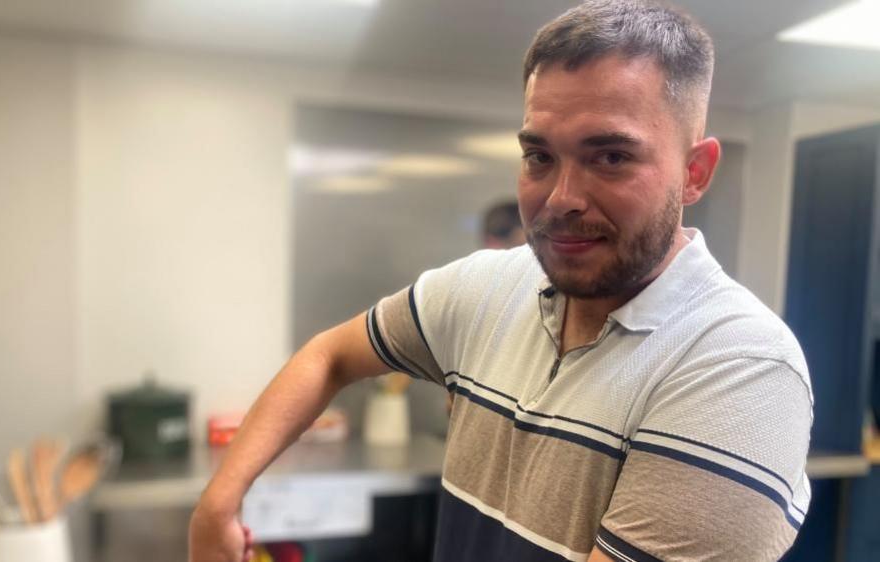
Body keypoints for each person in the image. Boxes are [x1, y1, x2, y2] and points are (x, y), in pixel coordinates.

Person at [189, 1, 813, 561]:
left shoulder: (742, 369)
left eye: (612, 157)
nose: (561, 198)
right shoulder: (486, 289)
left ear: (695, 172)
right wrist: (221, 498)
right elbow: (327, 357)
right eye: (539, 156)